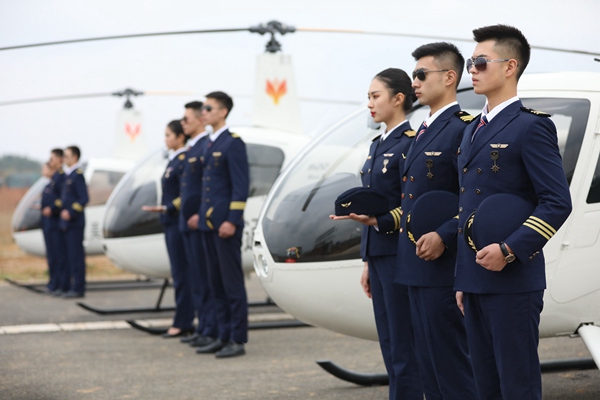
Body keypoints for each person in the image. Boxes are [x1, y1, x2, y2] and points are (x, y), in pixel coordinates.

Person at [455, 25, 572, 399]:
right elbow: (467, 206)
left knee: (517, 385)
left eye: (480, 62)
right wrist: (463, 279)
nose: (472, 70)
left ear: (510, 66)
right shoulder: (471, 130)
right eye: (470, 62)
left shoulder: (531, 126)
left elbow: (557, 201)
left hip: (513, 278)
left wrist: (509, 250)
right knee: (486, 386)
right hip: (475, 277)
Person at [375, 43, 476, 399]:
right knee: (427, 363)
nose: (414, 82)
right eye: (413, 75)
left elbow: (472, 197)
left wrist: (445, 234)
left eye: (421, 74)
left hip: (442, 263)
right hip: (414, 264)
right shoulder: (423, 130)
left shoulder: (463, 128)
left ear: (449, 77)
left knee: (452, 365)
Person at [331, 69, 422, 399]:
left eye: (375, 96)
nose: (369, 103)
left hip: (400, 253)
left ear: (398, 99)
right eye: (368, 97)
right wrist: (367, 261)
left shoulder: (409, 143)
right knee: (389, 340)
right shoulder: (377, 145)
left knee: (404, 340)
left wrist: (378, 224)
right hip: (379, 254)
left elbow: (410, 204)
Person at [195, 91, 250, 358]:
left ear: (223, 111)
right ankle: (221, 334)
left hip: (225, 226)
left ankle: (236, 339)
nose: (203, 112)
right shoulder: (208, 143)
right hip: (208, 225)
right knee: (214, 283)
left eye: (208, 108)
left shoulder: (232, 143)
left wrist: (232, 220)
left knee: (231, 284)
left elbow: (241, 186)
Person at [142, 120, 195, 338]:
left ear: (180, 137)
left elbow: (188, 194)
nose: (165, 140)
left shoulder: (182, 161)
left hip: (176, 221)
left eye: (168, 135)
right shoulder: (174, 160)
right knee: (178, 273)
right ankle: (183, 319)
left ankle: (183, 322)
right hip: (170, 222)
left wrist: (168, 207)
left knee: (182, 274)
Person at [177, 101, 217, 347]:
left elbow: (207, 187)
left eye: (186, 119)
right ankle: (203, 326)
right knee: (197, 278)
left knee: (205, 278)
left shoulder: (204, 146)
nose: (183, 124)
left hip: (199, 221)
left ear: (200, 120)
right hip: (189, 222)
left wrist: (201, 214)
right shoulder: (194, 147)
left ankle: (210, 328)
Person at [59, 145, 89, 298]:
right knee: (70, 256)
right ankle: (72, 286)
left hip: (75, 223)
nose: (64, 159)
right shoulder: (69, 175)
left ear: (75, 157)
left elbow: (84, 198)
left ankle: (78, 288)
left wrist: (70, 212)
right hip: (68, 223)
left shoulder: (78, 175)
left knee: (76, 256)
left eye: (66, 156)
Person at [40, 155, 66, 294]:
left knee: (58, 256)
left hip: (55, 223)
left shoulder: (60, 179)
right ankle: (54, 283)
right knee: (52, 256)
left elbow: (63, 198)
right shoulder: (49, 184)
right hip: (48, 223)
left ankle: (60, 284)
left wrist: (52, 208)